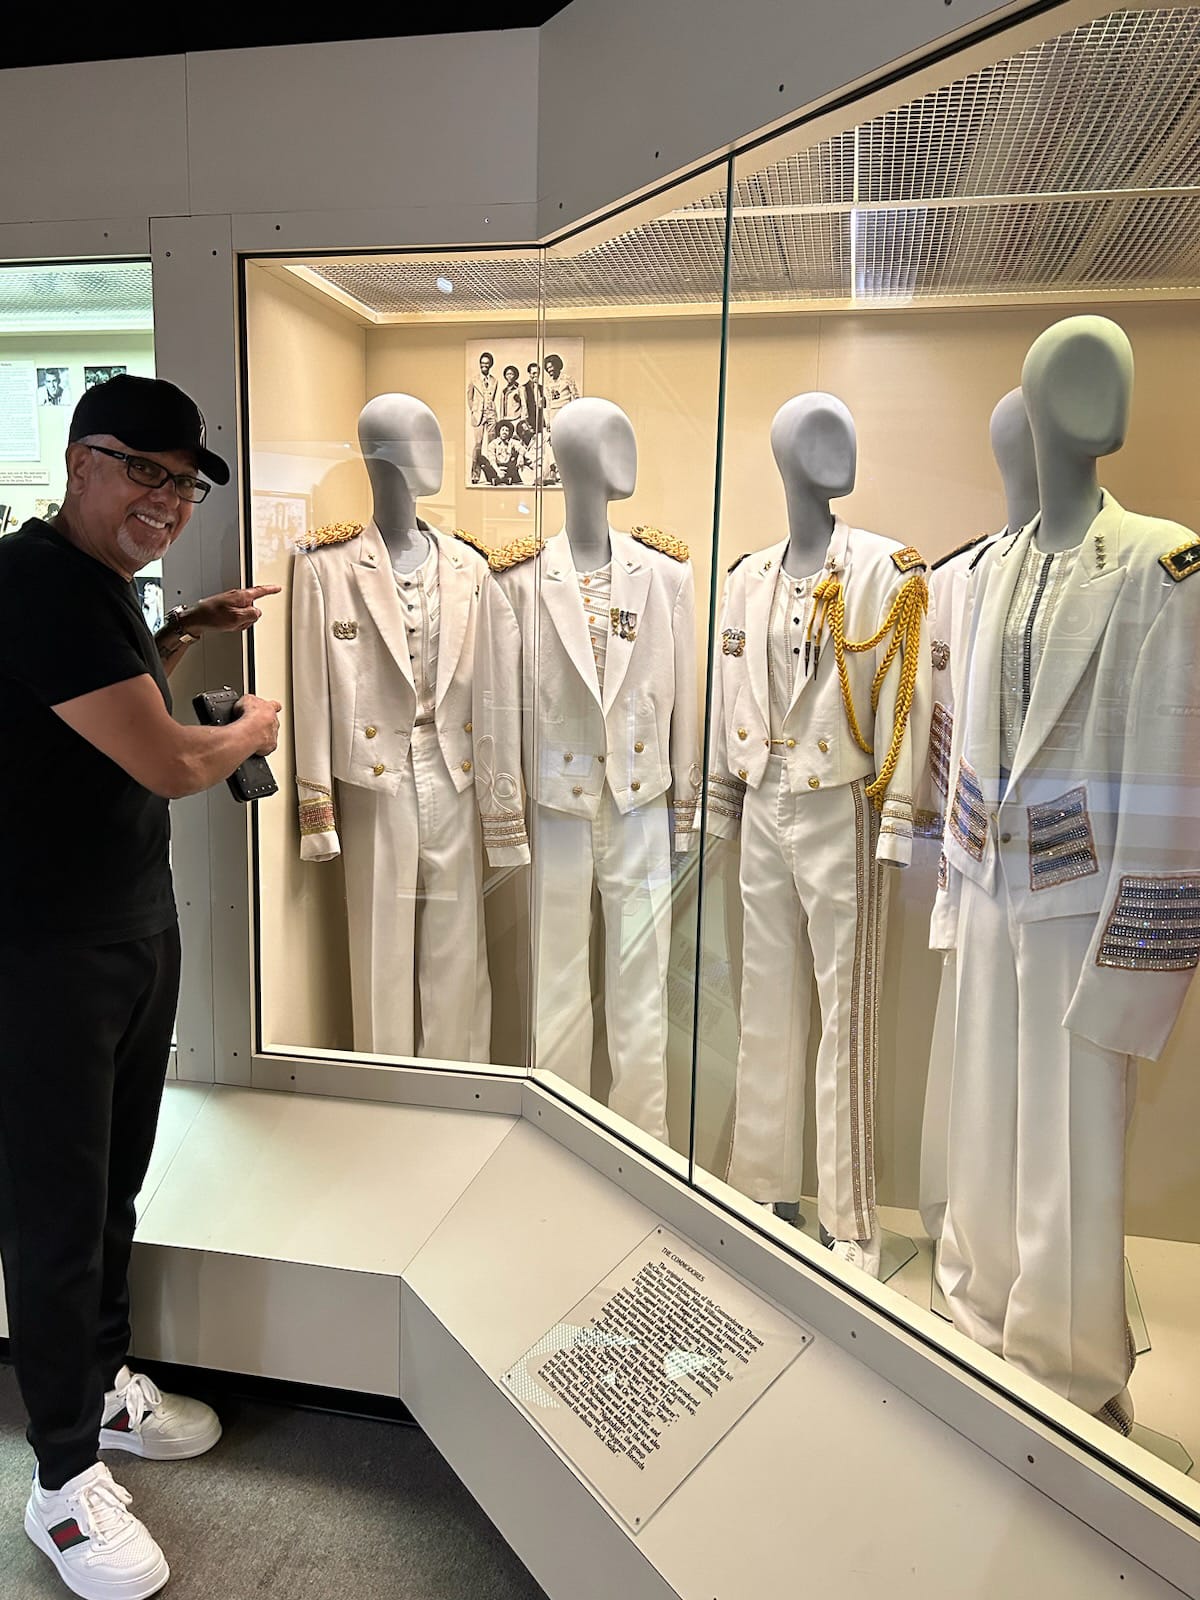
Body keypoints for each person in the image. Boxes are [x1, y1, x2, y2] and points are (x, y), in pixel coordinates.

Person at [0, 373, 282, 1600]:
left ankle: (100, 1386)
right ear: (80, 461)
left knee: (112, 1183)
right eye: (143, 471)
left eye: (183, 483)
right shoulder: (38, 582)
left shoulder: (100, 588)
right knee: (56, 1212)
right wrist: (249, 729)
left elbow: (95, 711)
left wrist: (178, 635)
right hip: (44, 952)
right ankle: (61, 1480)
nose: (165, 499)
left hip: (124, 926)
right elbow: (166, 759)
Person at [466, 350, 498, 484]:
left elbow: (493, 397)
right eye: (482, 363)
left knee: (492, 445)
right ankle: (475, 475)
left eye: (487, 363)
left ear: (490, 365)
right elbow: (469, 398)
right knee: (478, 444)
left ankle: (492, 475)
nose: (484, 365)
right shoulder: (474, 380)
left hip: (491, 415)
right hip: (479, 415)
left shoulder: (495, 380)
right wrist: (474, 411)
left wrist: (491, 411)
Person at [480, 419, 527, 485]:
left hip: (509, 468)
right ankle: (504, 479)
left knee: (518, 459)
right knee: (482, 459)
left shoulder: (512, 442)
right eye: (503, 430)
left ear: (509, 432)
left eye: (507, 430)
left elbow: (522, 449)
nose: (504, 432)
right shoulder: (493, 444)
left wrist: (520, 456)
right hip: (496, 468)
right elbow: (492, 460)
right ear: (499, 431)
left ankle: (499, 480)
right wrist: (498, 471)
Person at [542, 353, 579, 422]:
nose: (549, 370)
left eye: (551, 367)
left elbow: (576, 397)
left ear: (557, 366)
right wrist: (548, 420)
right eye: (547, 368)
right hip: (553, 413)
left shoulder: (567, 379)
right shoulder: (548, 383)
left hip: (565, 411)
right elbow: (548, 402)